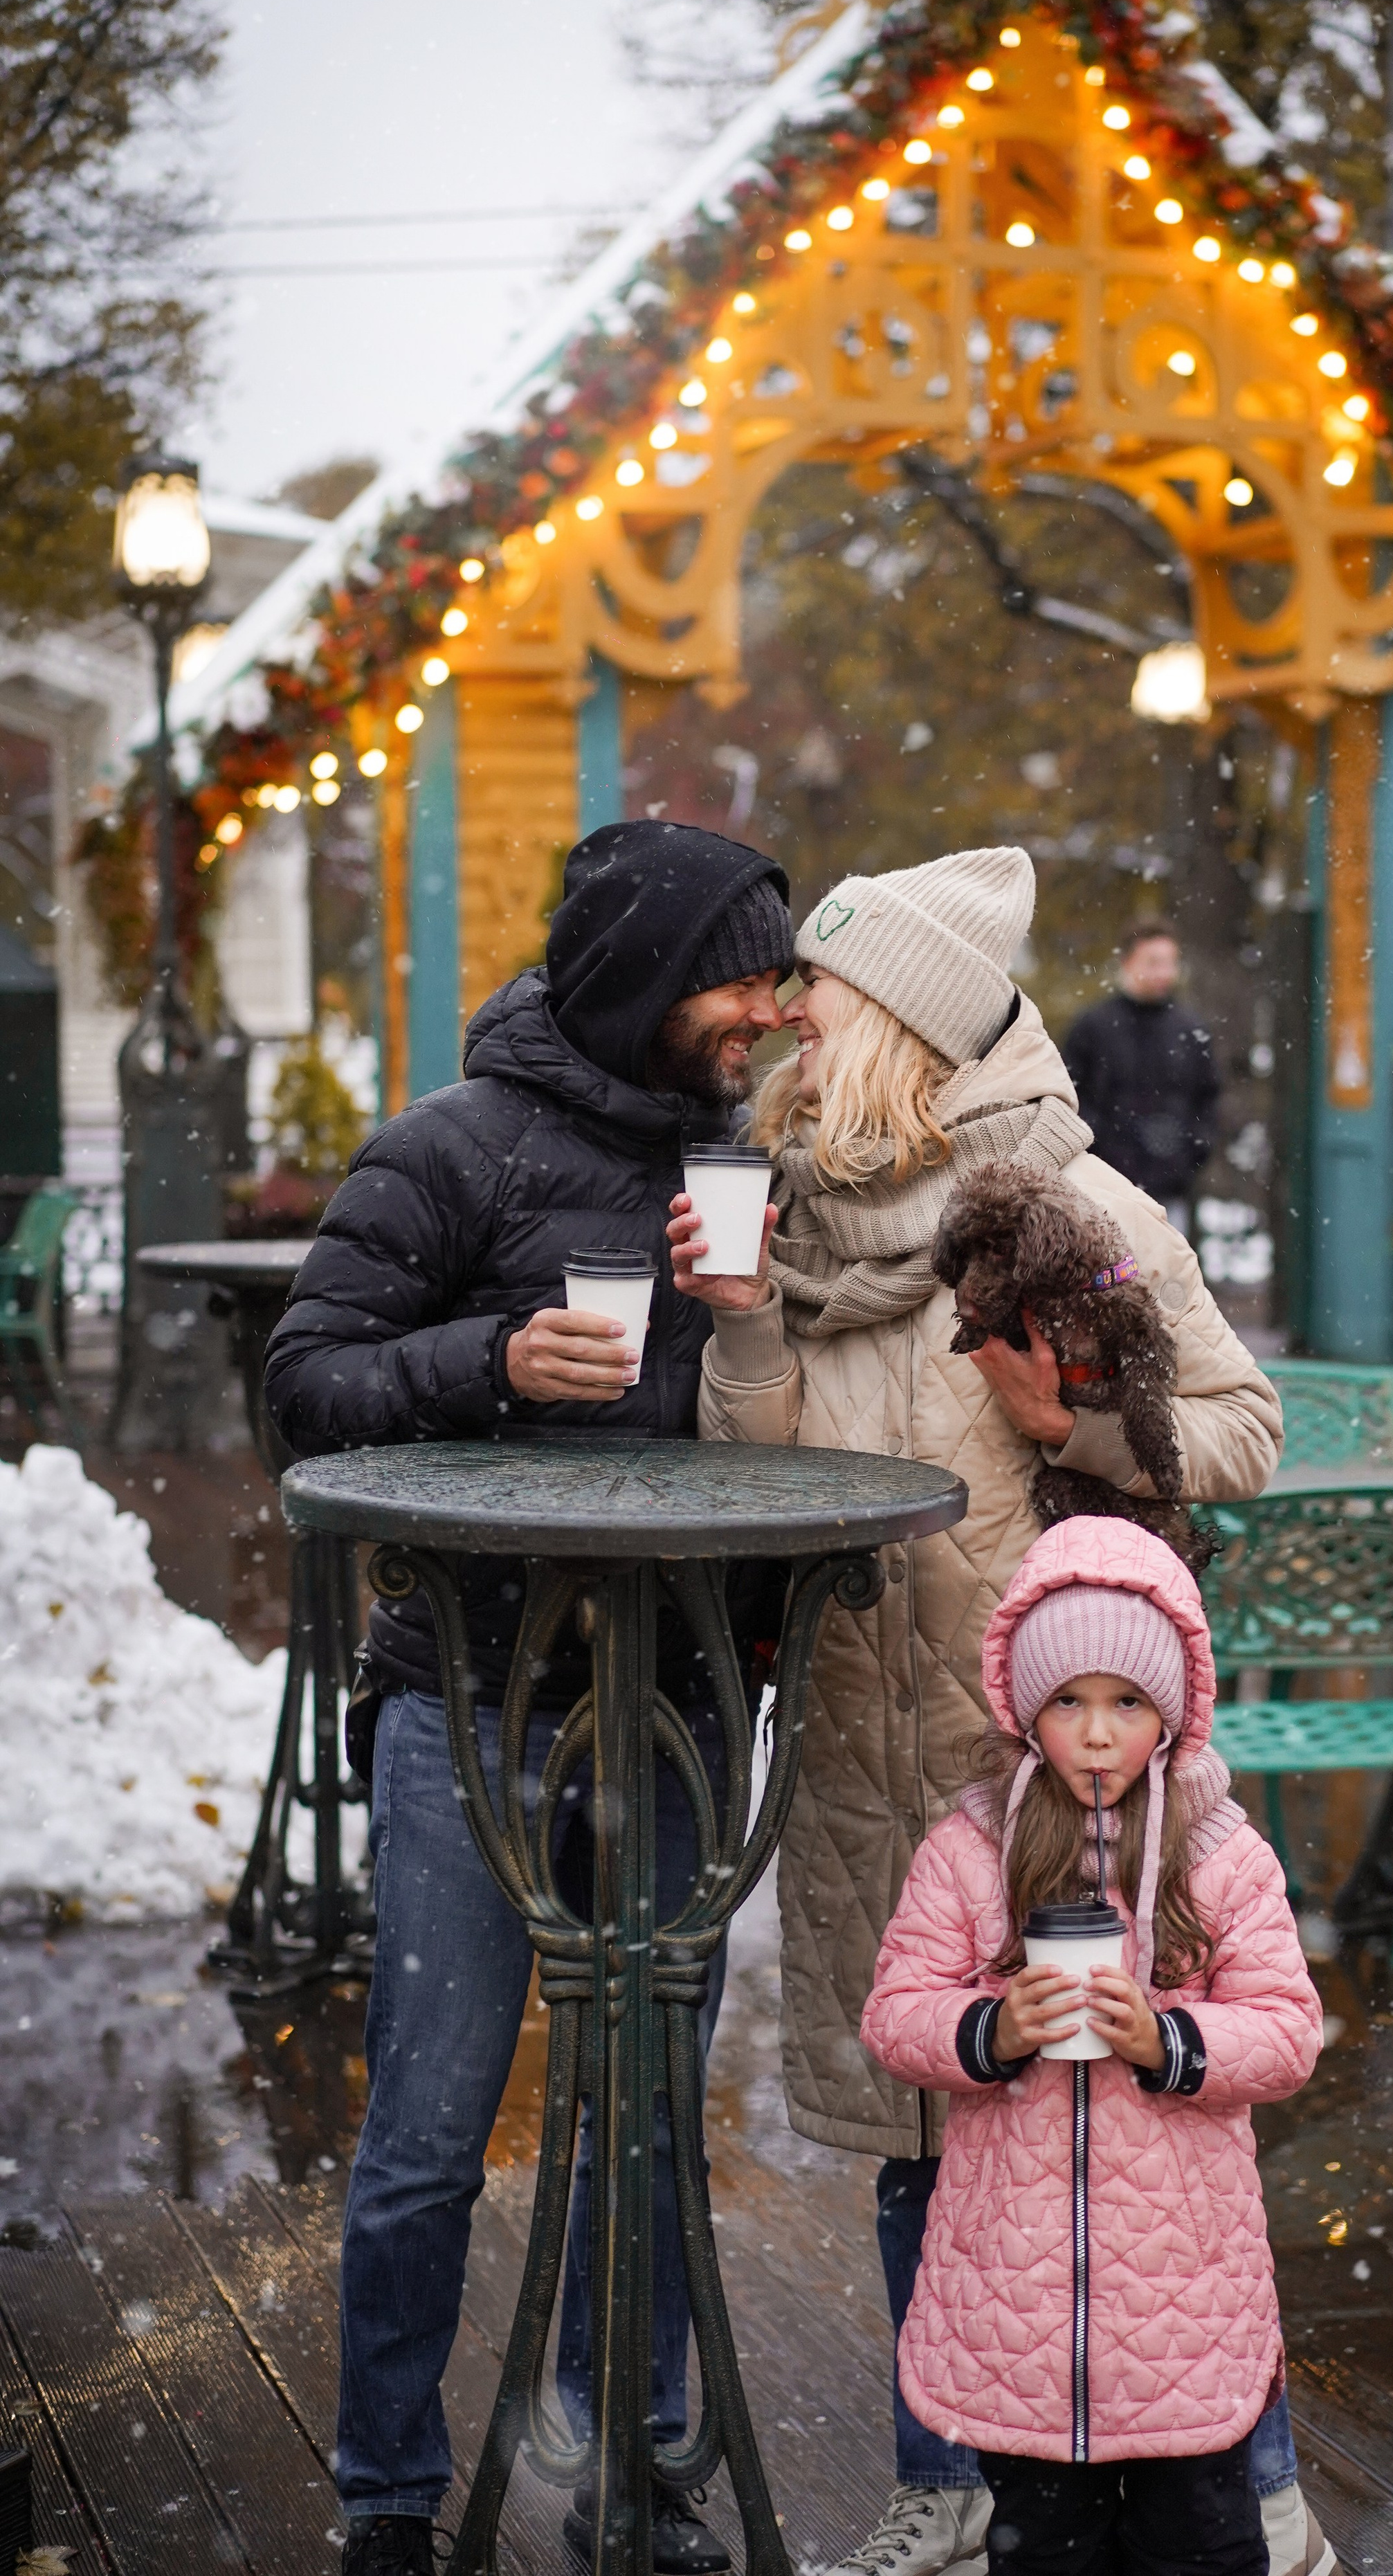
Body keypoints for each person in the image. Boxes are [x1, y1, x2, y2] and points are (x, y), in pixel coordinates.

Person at [668, 849, 1326, 2576]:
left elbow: (1243, 1426)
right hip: (861, 1750)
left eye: (822, 987)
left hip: (1060, 1770)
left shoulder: (1071, 1209)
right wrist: (739, 1329)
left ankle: (1247, 2473)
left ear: (896, 1018)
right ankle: (943, 2476)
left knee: (1147, 2140)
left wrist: (1073, 1427)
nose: (791, 1014)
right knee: (923, 2136)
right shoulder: (785, 1217)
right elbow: (759, 1485)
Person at [264, 819, 796, 2576]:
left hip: (676, 1715)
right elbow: (306, 1382)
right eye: (741, 973)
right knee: (425, 2126)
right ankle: (390, 2498)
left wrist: (750, 1319)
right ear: (644, 976)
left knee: (648, 2123)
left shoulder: (746, 1155)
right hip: (468, 1706)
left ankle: (635, 2464)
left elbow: (785, 1426)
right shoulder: (451, 1149)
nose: (768, 1007)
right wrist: (484, 1362)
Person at [860, 1514, 1321, 2576]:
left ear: (1172, 1712)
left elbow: (1288, 2030)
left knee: (1201, 2543)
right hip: (1014, 2293)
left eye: (1127, 1702)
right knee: (1046, 2549)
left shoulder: (1219, 1856)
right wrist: (990, 2027)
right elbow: (897, 2011)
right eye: (1069, 1701)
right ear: (1028, 1710)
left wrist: (1171, 2041)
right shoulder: (972, 1847)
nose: (1100, 1733)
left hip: (1183, 2298)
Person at [1062, 920, 1220, 1234]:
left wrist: (1190, 1152)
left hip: (1171, 1191)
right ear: (1127, 962)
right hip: (1103, 1190)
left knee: (1168, 1278)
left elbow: (1209, 1098)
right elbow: (1069, 1096)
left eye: (1171, 963)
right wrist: (1102, 1149)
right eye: (1153, 962)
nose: (1164, 973)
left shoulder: (1190, 1029)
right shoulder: (1093, 1028)